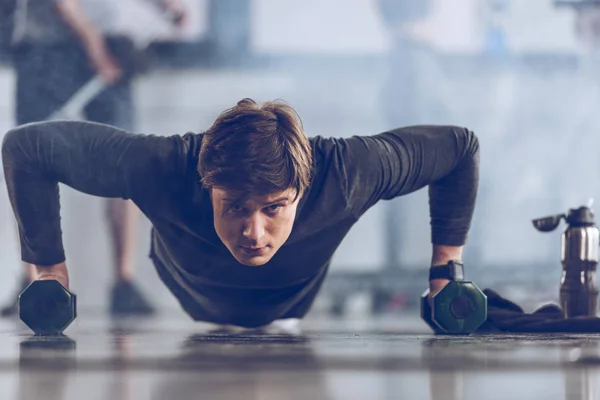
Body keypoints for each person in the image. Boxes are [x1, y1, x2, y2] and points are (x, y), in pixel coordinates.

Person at [1, 98, 480, 331]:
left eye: (274, 208)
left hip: (290, 304)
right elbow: (25, 148)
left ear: (302, 188)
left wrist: (446, 272)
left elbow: (460, 148)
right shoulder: (162, 166)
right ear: (207, 183)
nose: (254, 231)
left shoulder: (349, 171)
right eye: (234, 207)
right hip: (195, 297)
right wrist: (49, 273)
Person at [1, 0, 186, 316]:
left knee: (127, 159)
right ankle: (36, 280)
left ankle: (124, 283)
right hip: (49, 49)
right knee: (29, 158)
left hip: (111, 47)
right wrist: (94, 46)